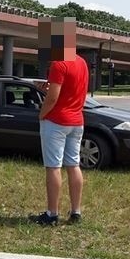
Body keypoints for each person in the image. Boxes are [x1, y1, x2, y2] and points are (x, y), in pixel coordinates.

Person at [31, 53, 89, 226]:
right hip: (77, 120)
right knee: (73, 164)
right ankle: (76, 212)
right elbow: (72, 91)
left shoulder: (58, 64)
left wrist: (42, 114)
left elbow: (53, 97)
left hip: (56, 121)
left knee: (53, 166)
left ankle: (52, 214)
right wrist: (46, 89)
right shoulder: (81, 62)